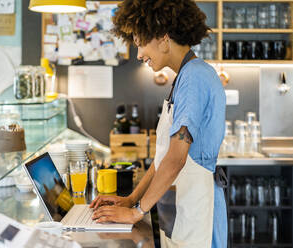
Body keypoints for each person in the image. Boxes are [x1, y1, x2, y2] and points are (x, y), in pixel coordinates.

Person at [90, 0, 227, 247]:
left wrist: (137, 212)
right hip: (184, 210)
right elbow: (162, 160)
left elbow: (176, 158)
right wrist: (131, 199)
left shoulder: (194, 77)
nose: (139, 54)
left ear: (164, 38)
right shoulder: (184, 77)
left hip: (199, 211)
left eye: (140, 44)